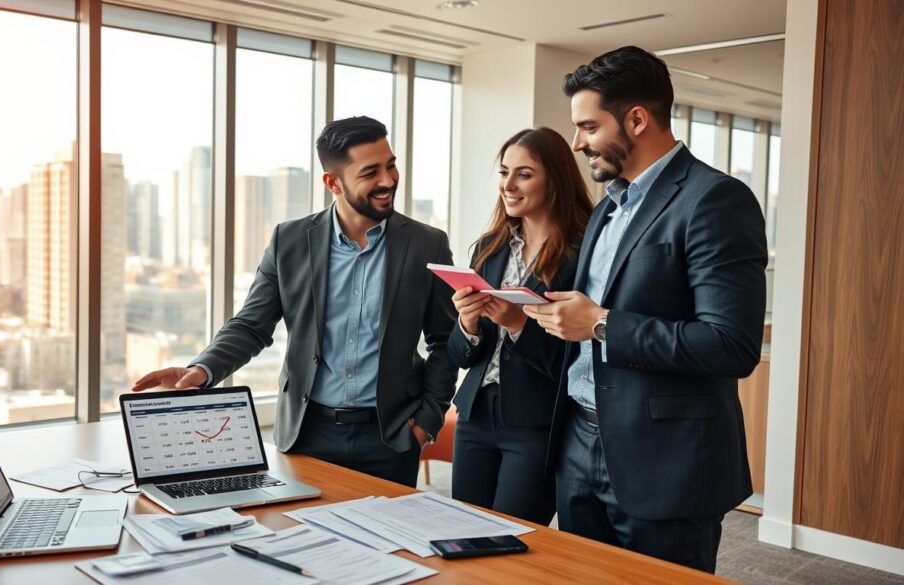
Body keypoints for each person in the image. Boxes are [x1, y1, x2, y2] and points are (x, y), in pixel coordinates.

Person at [522, 46, 767, 572]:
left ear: (637, 119)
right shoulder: (610, 204)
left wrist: (602, 324)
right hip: (579, 439)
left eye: (588, 126)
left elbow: (731, 345)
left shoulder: (716, 200)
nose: (577, 142)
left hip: (667, 459)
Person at [132, 116, 459, 488]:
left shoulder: (426, 244)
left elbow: (445, 340)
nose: (388, 180)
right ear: (332, 182)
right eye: (371, 172)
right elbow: (251, 325)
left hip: (391, 437)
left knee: (388, 545)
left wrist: (429, 420)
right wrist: (204, 369)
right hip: (306, 433)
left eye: (391, 165)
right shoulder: (289, 240)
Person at [447, 128, 592, 525]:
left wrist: (517, 325)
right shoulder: (489, 247)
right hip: (476, 413)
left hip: (536, 420)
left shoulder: (582, 254)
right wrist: (467, 322)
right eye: (504, 171)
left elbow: (575, 358)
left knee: (513, 540)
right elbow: (461, 354)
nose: (508, 185)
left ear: (555, 179)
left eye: (523, 174)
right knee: (463, 531)